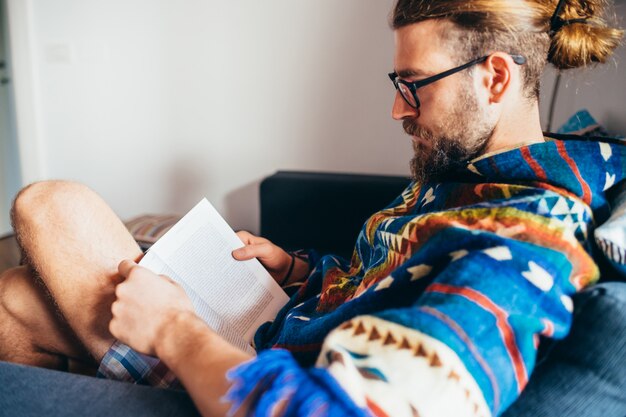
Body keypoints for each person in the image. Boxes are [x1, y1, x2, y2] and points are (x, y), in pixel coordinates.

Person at [0, 0, 625, 416]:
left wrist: (172, 328)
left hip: (252, 378)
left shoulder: (525, 243)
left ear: (494, 78)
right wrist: (299, 272)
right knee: (15, 298)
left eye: (415, 85)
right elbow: (385, 288)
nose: (398, 110)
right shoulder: (465, 175)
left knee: (51, 208)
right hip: (280, 324)